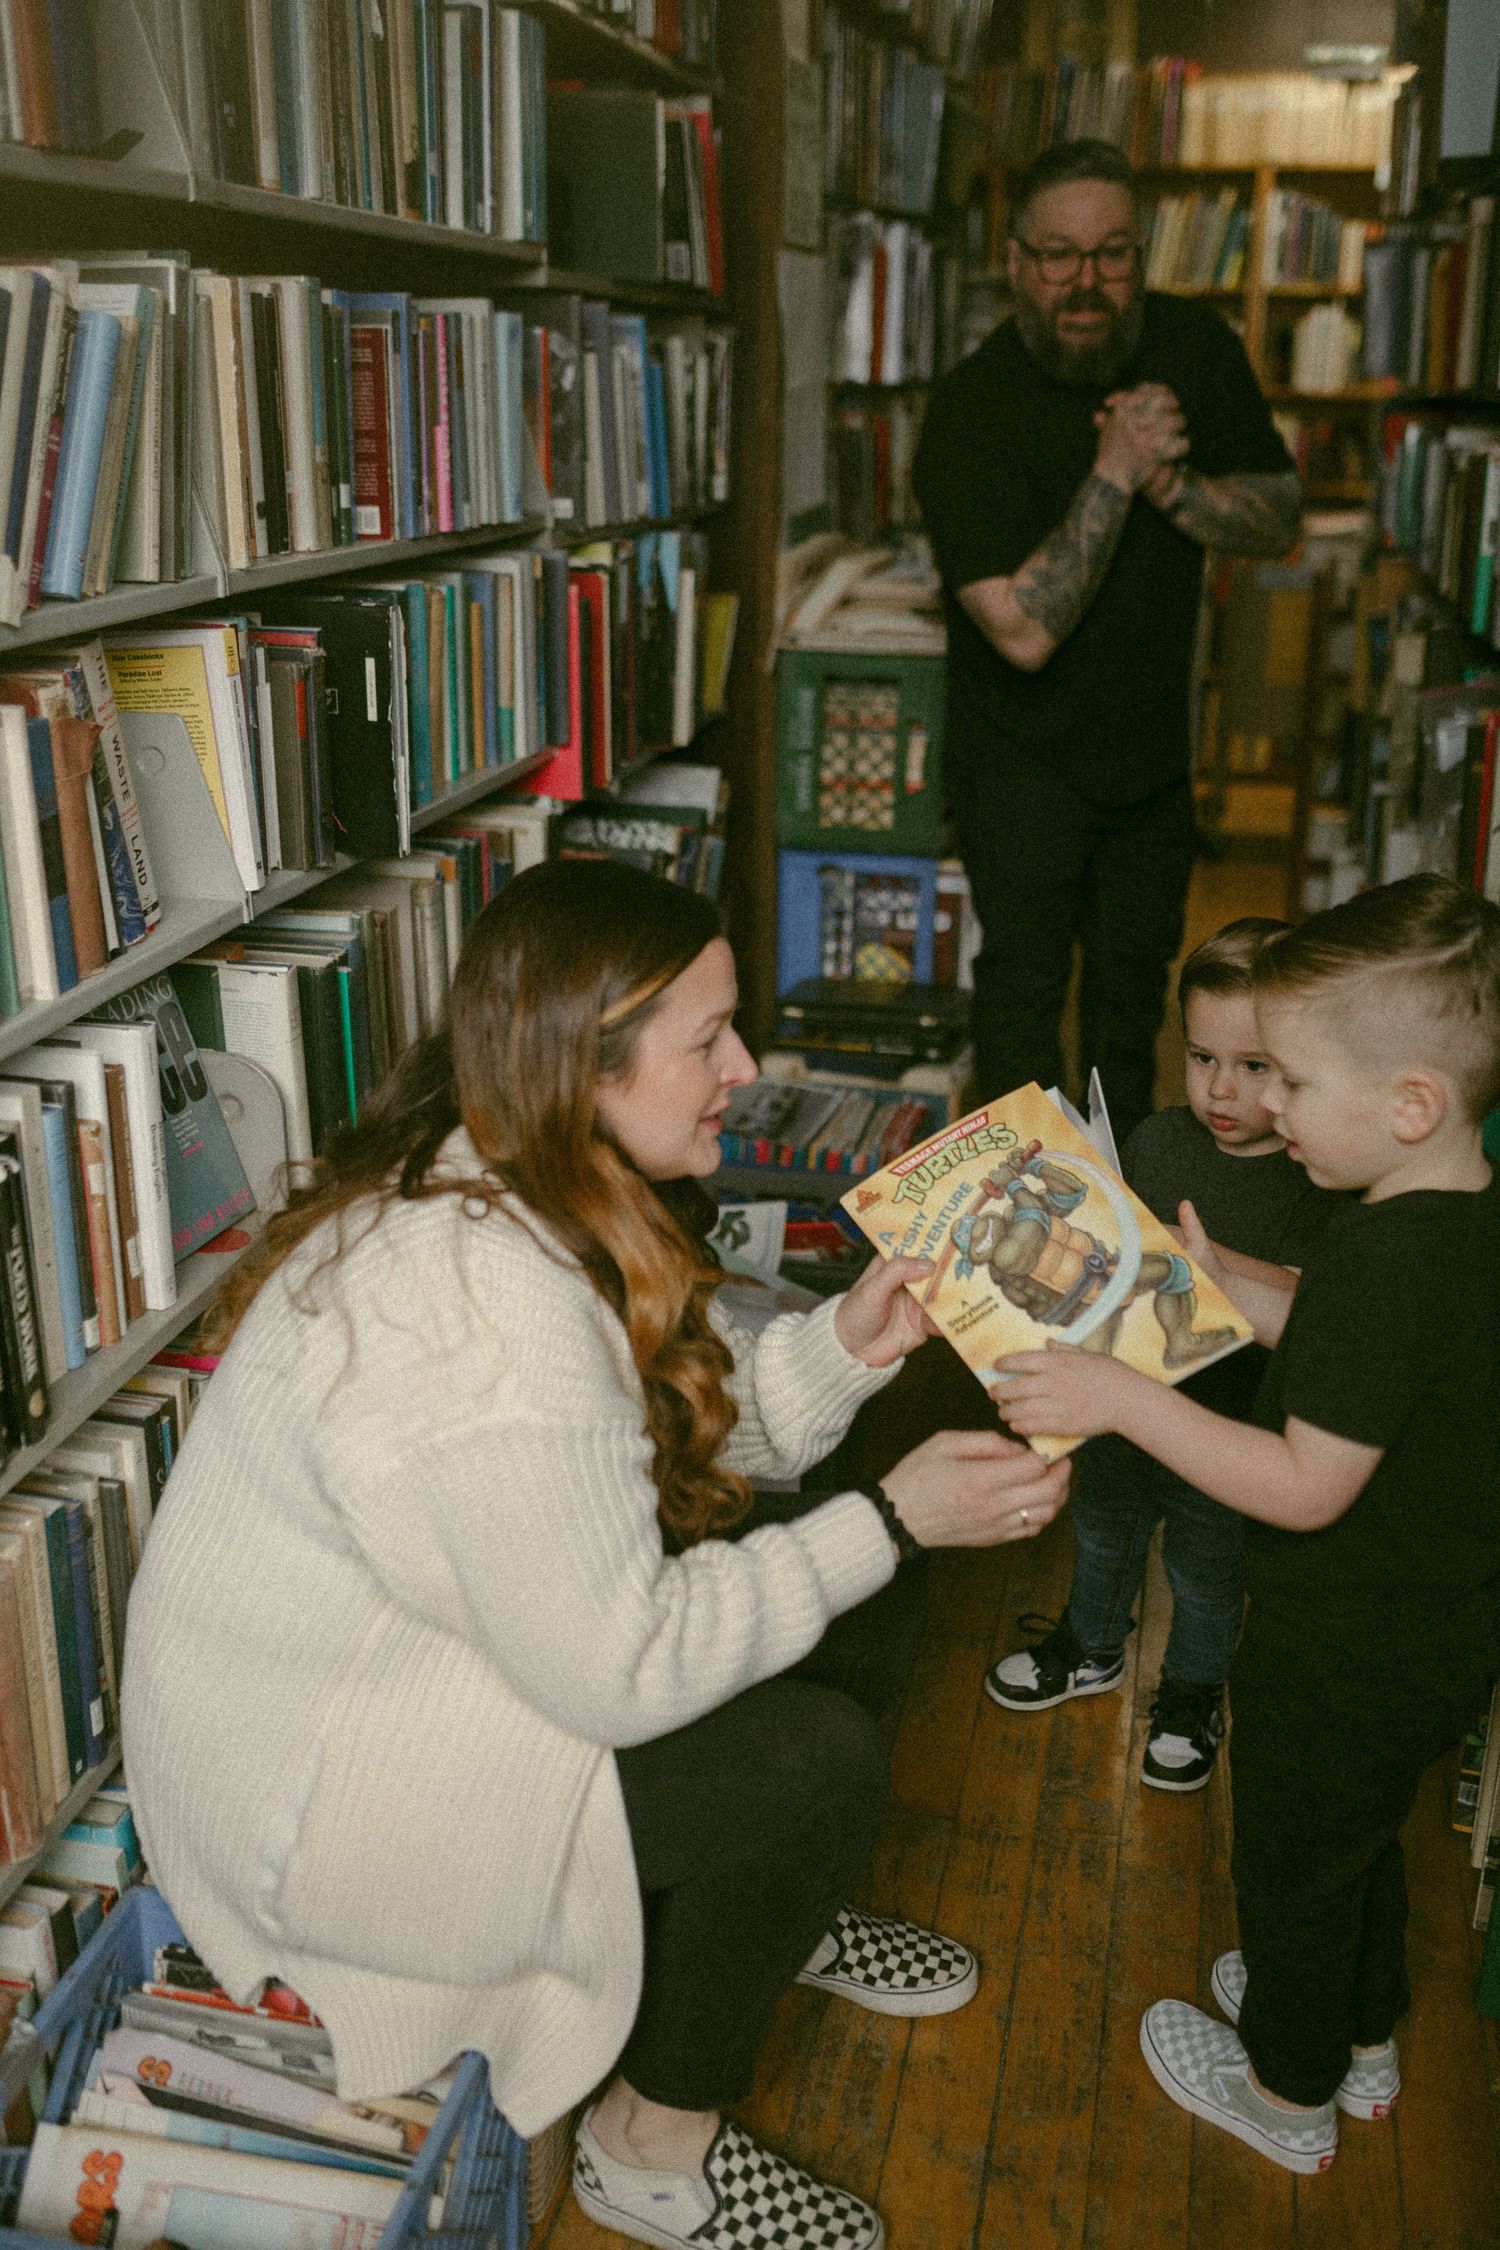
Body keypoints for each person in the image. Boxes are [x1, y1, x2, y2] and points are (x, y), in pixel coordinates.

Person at [121, 859, 1072, 2250]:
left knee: (858, 1559)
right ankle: (649, 2145)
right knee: (817, 1743)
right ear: (588, 1066)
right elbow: (620, 1673)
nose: (742, 1067)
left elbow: (634, 1458)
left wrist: (851, 1348)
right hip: (327, 1815)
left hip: (410, 1682)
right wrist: (891, 1517)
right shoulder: (484, 1307)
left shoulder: (508, 1174)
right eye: (707, 1040)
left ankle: (757, 1916)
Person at [994, 874, 1500, 2174]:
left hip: (1343, 1641)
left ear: (1409, 1104)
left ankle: (1289, 2091)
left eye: (1292, 1083)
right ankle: (1362, 2035)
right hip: (1432, 1632)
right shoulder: (1449, 1226)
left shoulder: (1384, 1261)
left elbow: (1300, 1479)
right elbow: (1345, 1354)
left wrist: (1118, 1394)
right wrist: (1230, 1284)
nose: (1266, 1108)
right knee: (1358, 1838)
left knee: (1288, 1861)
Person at [912, 137, 1303, 1142]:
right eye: (1058, 255)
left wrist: (1176, 483)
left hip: (1153, 768)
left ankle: (1123, 1238)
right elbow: (1022, 631)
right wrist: (1121, 469)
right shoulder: (970, 408)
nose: (1086, 281)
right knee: (1022, 1010)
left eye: (1114, 253)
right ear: (1015, 264)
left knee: (1133, 1016)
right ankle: (1018, 1246)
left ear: (1138, 256)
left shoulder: (1195, 350)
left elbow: (1278, 517)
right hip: (1017, 769)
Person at [986, 917, 1352, 1793]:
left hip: (1233, 1428)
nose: (1221, 1089)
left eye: (1254, 1068)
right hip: (1125, 1393)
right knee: (1103, 1528)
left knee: (1205, 1569)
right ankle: (1091, 1644)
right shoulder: (1158, 1142)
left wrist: (1216, 1269)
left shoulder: (1322, 1172)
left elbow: (1321, 1305)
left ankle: (1191, 1692)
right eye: (1201, 1058)